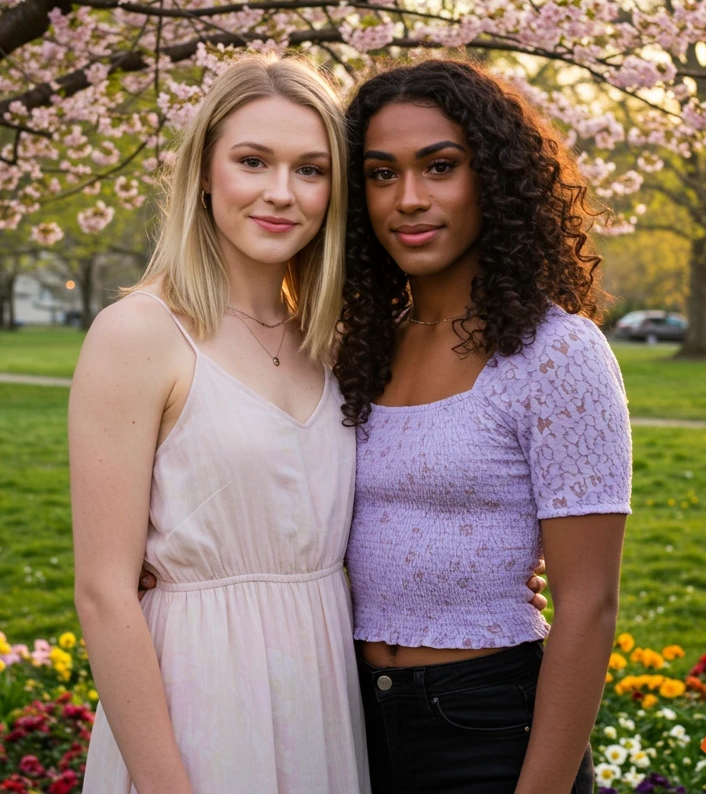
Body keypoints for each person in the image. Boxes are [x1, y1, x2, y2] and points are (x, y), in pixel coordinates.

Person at [70, 55, 370, 794]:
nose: (280, 192)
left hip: (327, 692)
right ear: (205, 172)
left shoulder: (335, 340)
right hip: (200, 696)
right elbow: (105, 592)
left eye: (310, 169)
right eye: (252, 161)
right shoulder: (138, 333)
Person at [334, 58, 633, 794]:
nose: (408, 199)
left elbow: (588, 607)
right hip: (347, 716)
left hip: (489, 723)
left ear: (493, 179)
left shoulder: (556, 353)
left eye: (440, 167)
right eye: (380, 174)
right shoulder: (358, 348)